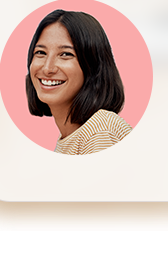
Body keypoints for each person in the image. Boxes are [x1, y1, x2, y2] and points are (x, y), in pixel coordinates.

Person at [25, 9, 132, 155]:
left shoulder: (99, 131)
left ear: (93, 66)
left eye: (65, 54)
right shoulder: (73, 137)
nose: (47, 68)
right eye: (40, 53)